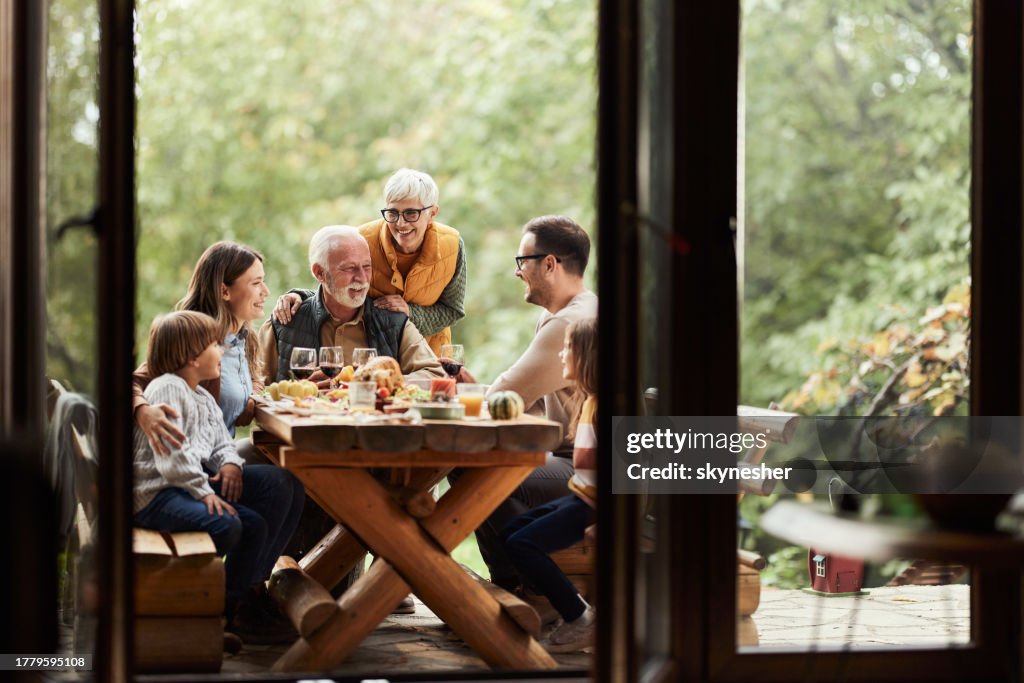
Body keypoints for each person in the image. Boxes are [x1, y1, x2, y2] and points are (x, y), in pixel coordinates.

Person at [132, 311, 305, 645]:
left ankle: (231, 609)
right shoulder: (167, 389)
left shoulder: (199, 395)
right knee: (229, 525)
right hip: (156, 493)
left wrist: (230, 465)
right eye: (215, 345)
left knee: (268, 507)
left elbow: (221, 443)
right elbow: (173, 457)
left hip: (185, 484)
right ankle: (203, 607)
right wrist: (203, 493)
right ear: (191, 357)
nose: (221, 351)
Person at [455, 215, 597, 602]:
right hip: (569, 458)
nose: (518, 272)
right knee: (482, 471)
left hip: (586, 470)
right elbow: (522, 401)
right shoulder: (562, 315)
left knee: (476, 469)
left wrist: (473, 395)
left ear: (549, 264)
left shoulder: (570, 323)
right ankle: (521, 586)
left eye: (523, 261)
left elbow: (507, 393)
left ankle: (527, 589)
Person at [273, 168, 466, 356]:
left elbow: (452, 310)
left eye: (411, 213)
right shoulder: (361, 241)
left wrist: (411, 313)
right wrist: (299, 296)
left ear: (432, 213)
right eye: (393, 213)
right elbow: (336, 291)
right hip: (374, 356)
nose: (400, 223)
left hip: (430, 357)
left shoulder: (452, 246)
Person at [503, 318, 597, 653]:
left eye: (567, 348)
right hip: (581, 495)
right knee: (511, 532)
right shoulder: (590, 400)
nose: (561, 354)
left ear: (586, 356)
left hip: (594, 505)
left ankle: (580, 617)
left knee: (522, 544)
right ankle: (564, 603)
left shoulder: (608, 406)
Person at [133, 241, 271, 463]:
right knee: (283, 476)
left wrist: (252, 396)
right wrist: (143, 412)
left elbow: (242, 389)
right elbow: (133, 382)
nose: (266, 291)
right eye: (256, 283)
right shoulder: (192, 341)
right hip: (190, 465)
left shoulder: (243, 339)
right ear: (224, 291)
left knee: (281, 462)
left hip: (221, 456)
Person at [257, 224, 445, 384]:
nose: (362, 278)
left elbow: (435, 375)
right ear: (320, 273)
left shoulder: (394, 324)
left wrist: (373, 381)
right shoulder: (284, 322)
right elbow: (256, 389)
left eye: (366, 266)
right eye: (349, 268)